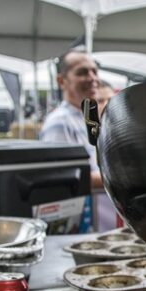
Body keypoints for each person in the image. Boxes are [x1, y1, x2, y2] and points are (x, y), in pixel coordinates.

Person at [40, 50, 102, 189]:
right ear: (61, 81)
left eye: (94, 71)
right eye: (82, 72)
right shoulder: (60, 122)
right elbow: (64, 177)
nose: (93, 78)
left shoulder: (87, 119)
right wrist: (122, 179)